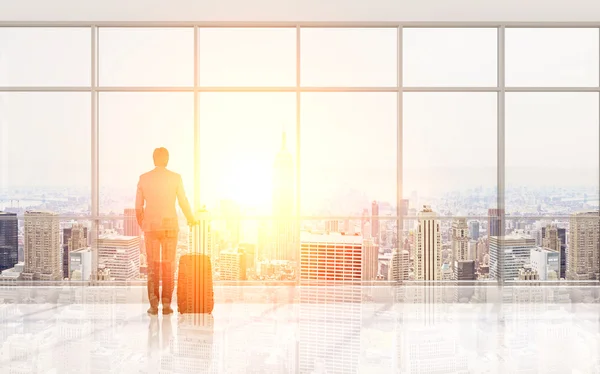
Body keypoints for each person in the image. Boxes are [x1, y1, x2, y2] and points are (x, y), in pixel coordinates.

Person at [136, 147, 196, 316]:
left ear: (153, 159)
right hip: (170, 227)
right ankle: (167, 305)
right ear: (167, 159)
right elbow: (183, 202)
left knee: (153, 267)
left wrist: (143, 223)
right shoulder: (175, 178)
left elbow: (138, 206)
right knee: (169, 267)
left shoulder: (143, 179)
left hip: (151, 228)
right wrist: (191, 219)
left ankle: (154, 306)